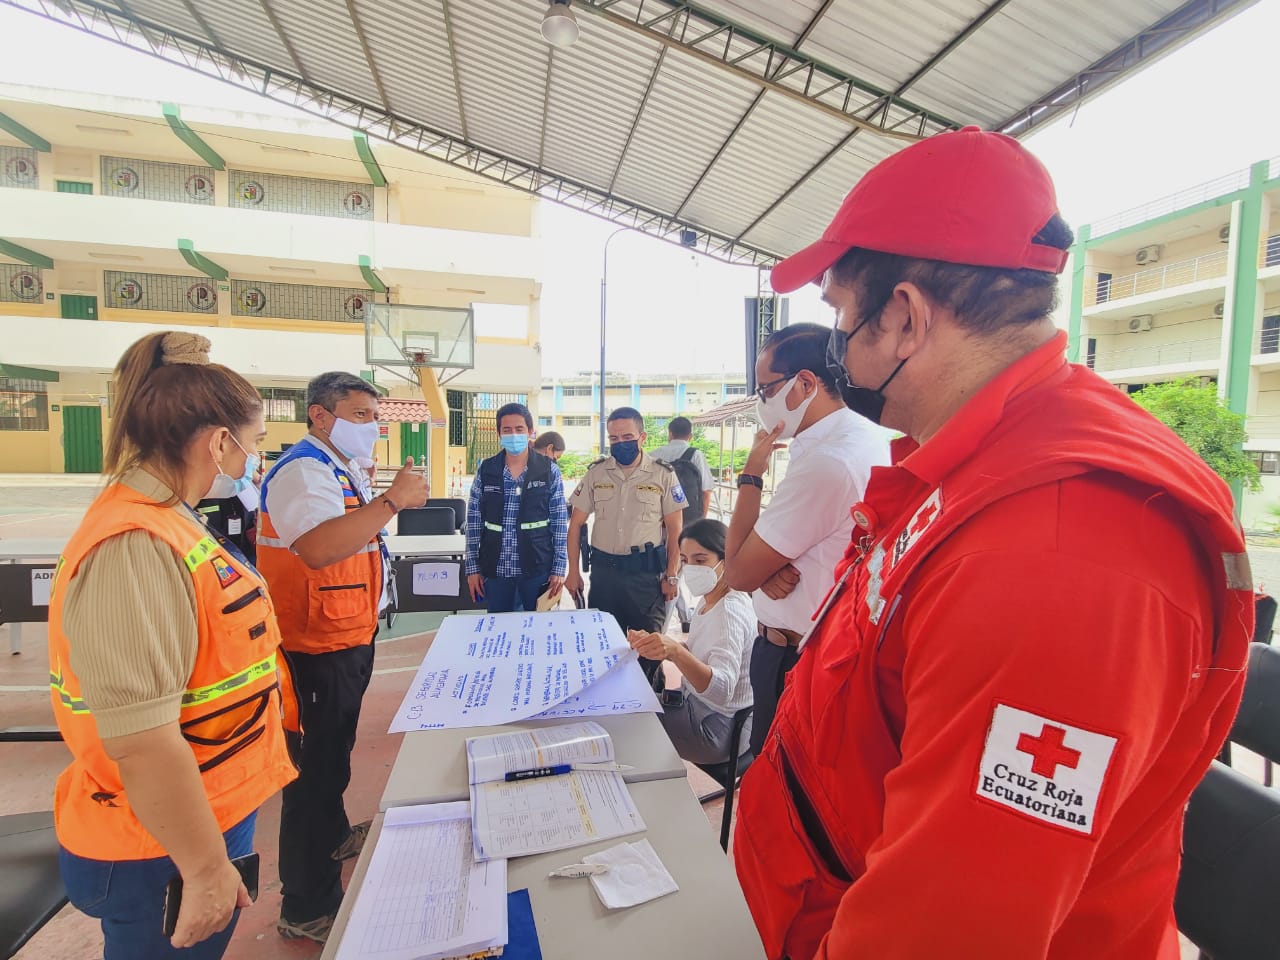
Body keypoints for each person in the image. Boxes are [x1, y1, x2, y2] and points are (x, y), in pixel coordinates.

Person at [733, 126, 1253, 959]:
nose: (837, 350)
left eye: (840, 317)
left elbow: (945, 932)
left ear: (903, 317)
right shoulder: (975, 461)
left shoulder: (1057, 550)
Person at [47, 331, 297, 959]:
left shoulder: (173, 518)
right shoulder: (136, 544)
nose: (252, 458)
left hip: (196, 817)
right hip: (159, 845)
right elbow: (141, 740)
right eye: (255, 443)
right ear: (220, 442)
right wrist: (208, 869)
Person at [258, 371, 429, 942]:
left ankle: (333, 833)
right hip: (313, 646)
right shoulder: (304, 471)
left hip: (343, 634)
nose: (371, 427)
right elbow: (320, 547)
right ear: (320, 416)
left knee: (334, 751)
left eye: (372, 417)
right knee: (313, 771)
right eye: (359, 416)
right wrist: (391, 502)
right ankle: (307, 904)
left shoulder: (335, 466)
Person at [723, 323, 889, 755]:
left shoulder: (828, 462)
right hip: (817, 645)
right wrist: (767, 570)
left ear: (805, 383)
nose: (761, 401)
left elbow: (738, 571)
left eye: (766, 389)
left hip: (793, 655)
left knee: (778, 781)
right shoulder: (862, 436)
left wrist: (751, 475)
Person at [565, 407, 686, 682]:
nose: (621, 443)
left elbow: (676, 531)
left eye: (627, 436)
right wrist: (573, 572)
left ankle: (650, 707)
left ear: (642, 436)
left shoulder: (662, 474)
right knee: (603, 646)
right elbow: (575, 526)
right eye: (614, 438)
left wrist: (672, 575)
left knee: (648, 650)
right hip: (605, 576)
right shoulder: (596, 473)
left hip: (645, 580)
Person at [628, 518, 754, 765]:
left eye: (700, 560)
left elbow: (721, 690)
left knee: (630, 721)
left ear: (725, 559)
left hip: (720, 729)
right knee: (633, 704)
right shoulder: (711, 599)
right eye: (685, 560)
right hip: (703, 710)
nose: (691, 569)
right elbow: (702, 654)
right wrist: (662, 646)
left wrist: (675, 651)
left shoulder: (729, 612)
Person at [465, 402, 569, 612]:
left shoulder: (548, 471)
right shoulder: (486, 470)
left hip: (537, 569)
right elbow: (474, 521)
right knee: (498, 631)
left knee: (537, 631)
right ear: (499, 434)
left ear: (530, 432)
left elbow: (559, 522)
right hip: (496, 570)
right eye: (507, 430)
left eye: (519, 429)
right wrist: (472, 568)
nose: (514, 435)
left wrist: (559, 567)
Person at [650, 416, 713, 522]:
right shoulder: (696, 455)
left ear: (670, 434)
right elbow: (706, 491)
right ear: (690, 436)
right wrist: (701, 522)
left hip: (659, 519)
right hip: (687, 521)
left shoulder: (653, 455)